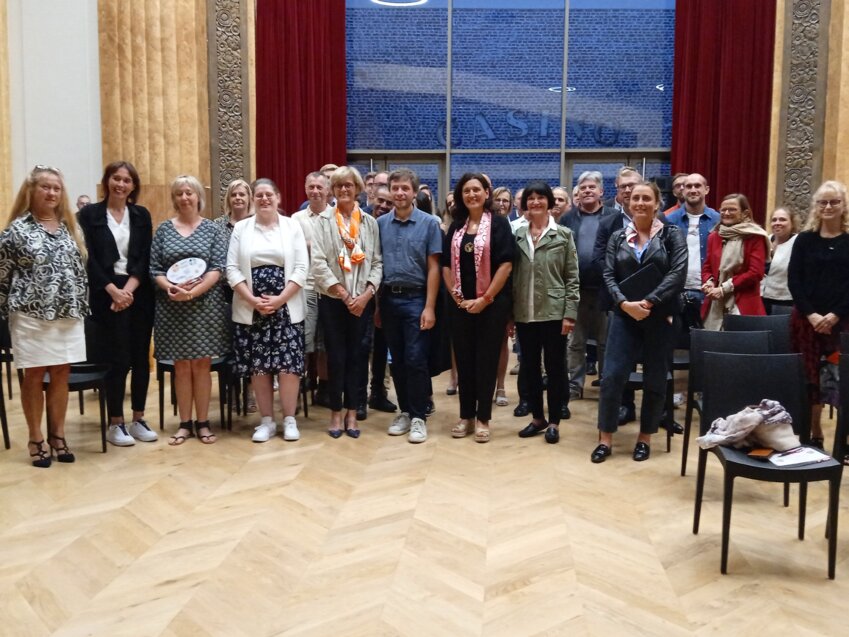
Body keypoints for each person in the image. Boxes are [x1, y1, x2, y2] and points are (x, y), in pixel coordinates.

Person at [592, 181, 686, 463]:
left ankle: (645, 437)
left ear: (657, 203)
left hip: (659, 316)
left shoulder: (672, 234)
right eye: (636, 198)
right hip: (624, 315)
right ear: (628, 203)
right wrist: (624, 303)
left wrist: (648, 302)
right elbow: (608, 275)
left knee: (656, 378)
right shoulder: (618, 237)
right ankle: (605, 439)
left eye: (647, 198)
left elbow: (677, 273)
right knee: (612, 377)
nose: (641, 203)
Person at [0, 166, 89, 467]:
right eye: (45, 187)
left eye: (56, 188)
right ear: (32, 191)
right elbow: (2, 277)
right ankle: (36, 437)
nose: (52, 193)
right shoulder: (16, 230)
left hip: (67, 314)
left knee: (62, 371)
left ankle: (58, 435)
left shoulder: (70, 227)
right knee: (35, 374)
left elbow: (80, 272)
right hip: (30, 315)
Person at [78, 161, 157, 447]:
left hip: (138, 293)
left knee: (139, 358)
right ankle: (115, 422)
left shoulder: (140, 215)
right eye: (116, 178)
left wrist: (129, 290)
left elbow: (144, 256)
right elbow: (89, 258)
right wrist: (114, 291)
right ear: (107, 181)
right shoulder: (89, 214)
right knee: (117, 358)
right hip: (106, 294)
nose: (120, 184)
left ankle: (138, 418)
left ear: (133, 186)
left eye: (126, 180)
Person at [150, 175, 230, 446]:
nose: (184, 198)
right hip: (172, 307)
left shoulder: (212, 229)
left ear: (198, 197)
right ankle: (185, 423)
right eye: (179, 194)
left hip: (205, 307)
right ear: (174, 199)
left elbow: (218, 267)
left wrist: (193, 292)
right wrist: (171, 289)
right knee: (181, 366)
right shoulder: (163, 230)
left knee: (202, 365)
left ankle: (204, 422)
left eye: (189, 193)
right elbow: (155, 269)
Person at [227, 178, 308, 443]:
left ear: (278, 197)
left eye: (268, 194)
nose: (264, 199)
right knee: (259, 367)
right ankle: (266, 421)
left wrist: (279, 300)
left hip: (287, 306)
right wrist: (253, 300)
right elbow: (231, 269)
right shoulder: (241, 228)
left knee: (287, 367)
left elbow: (301, 269)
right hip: (252, 309)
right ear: (253, 199)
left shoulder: (292, 226)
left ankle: (289, 419)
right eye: (259, 195)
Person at [442, 172, 514, 442]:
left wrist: (484, 299)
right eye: (466, 191)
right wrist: (458, 297)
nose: (471, 194)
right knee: (464, 360)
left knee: (485, 361)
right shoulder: (456, 226)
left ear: (486, 193)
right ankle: (466, 416)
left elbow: (506, 264)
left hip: (492, 305)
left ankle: (483, 418)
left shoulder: (499, 225)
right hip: (459, 306)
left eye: (476, 190)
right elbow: (446, 265)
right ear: (461, 196)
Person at [311, 166, 383, 438]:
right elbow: (318, 263)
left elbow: (377, 263)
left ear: (357, 189)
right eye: (339, 185)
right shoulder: (322, 222)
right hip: (333, 300)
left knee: (356, 357)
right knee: (336, 357)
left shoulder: (369, 223)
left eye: (348, 186)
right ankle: (335, 413)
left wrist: (365, 296)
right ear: (333, 189)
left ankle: (353, 413)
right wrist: (343, 294)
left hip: (362, 302)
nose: (343, 190)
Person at [378, 167, 442, 444]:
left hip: (417, 298)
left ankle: (418, 416)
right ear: (390, 192)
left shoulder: (429, 223)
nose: (400, 193)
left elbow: (434, 267)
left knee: (416, 359)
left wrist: (429, 307)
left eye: (405, 188)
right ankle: (404, 411)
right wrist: (379, 307)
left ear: (415, 192)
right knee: (399, 360)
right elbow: (377, 267)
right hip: (389, 298)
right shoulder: (379, 224)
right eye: (396, 188)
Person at [512, 181, 579, 444]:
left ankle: (554, 421)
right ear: (525, 203)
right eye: (531, 198)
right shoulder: (516, 234)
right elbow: (510, 276)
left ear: (549, 202)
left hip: (553, 311)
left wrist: (570, 313)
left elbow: (572, 277)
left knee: (554, 367)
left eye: (541, 198)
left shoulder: (563, 235)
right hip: (524, 311)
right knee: (529, 367)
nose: (536, 202)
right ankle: (537, 417)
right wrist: (509, 315)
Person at [788, 180, 849, 447]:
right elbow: (794, 281)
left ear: (844, 206)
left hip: (843, 322)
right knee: (810, 380)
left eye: (834, 201)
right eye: (823, 202)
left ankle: (844, 440)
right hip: (806, 322)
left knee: (842, 380)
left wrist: (835, 314)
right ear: (815, 206)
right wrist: (812, 315)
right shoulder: (804, 240)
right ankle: (815, 434)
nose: (828, 206)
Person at [560, 170, 615, 401]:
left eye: (592, 187)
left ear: (601, 191)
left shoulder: (613, 217)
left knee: (606, 341)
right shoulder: (567, 219)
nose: (587, 191)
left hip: (605, 290)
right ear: (578, 194)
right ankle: (574, 385)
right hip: (576, 290)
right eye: (583, 188)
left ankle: (606, 384)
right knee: (576, 341)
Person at [701, 194, 770, 330]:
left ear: (745, 213)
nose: (726, 213)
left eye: (732, 209)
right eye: (723, 209)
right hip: (716, 305)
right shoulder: (714, 236)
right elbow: (708, 266)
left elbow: (755, 273)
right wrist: (708, 282)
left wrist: (724, 288)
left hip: (744, 305)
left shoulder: (755, 236)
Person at [761, 207, 800, 314]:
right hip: (761, 300)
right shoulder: (765, 240)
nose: (777, 223)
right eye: (774, 220)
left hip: (786, 301)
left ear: (792, 223)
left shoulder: (798, 243)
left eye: (782, 219)